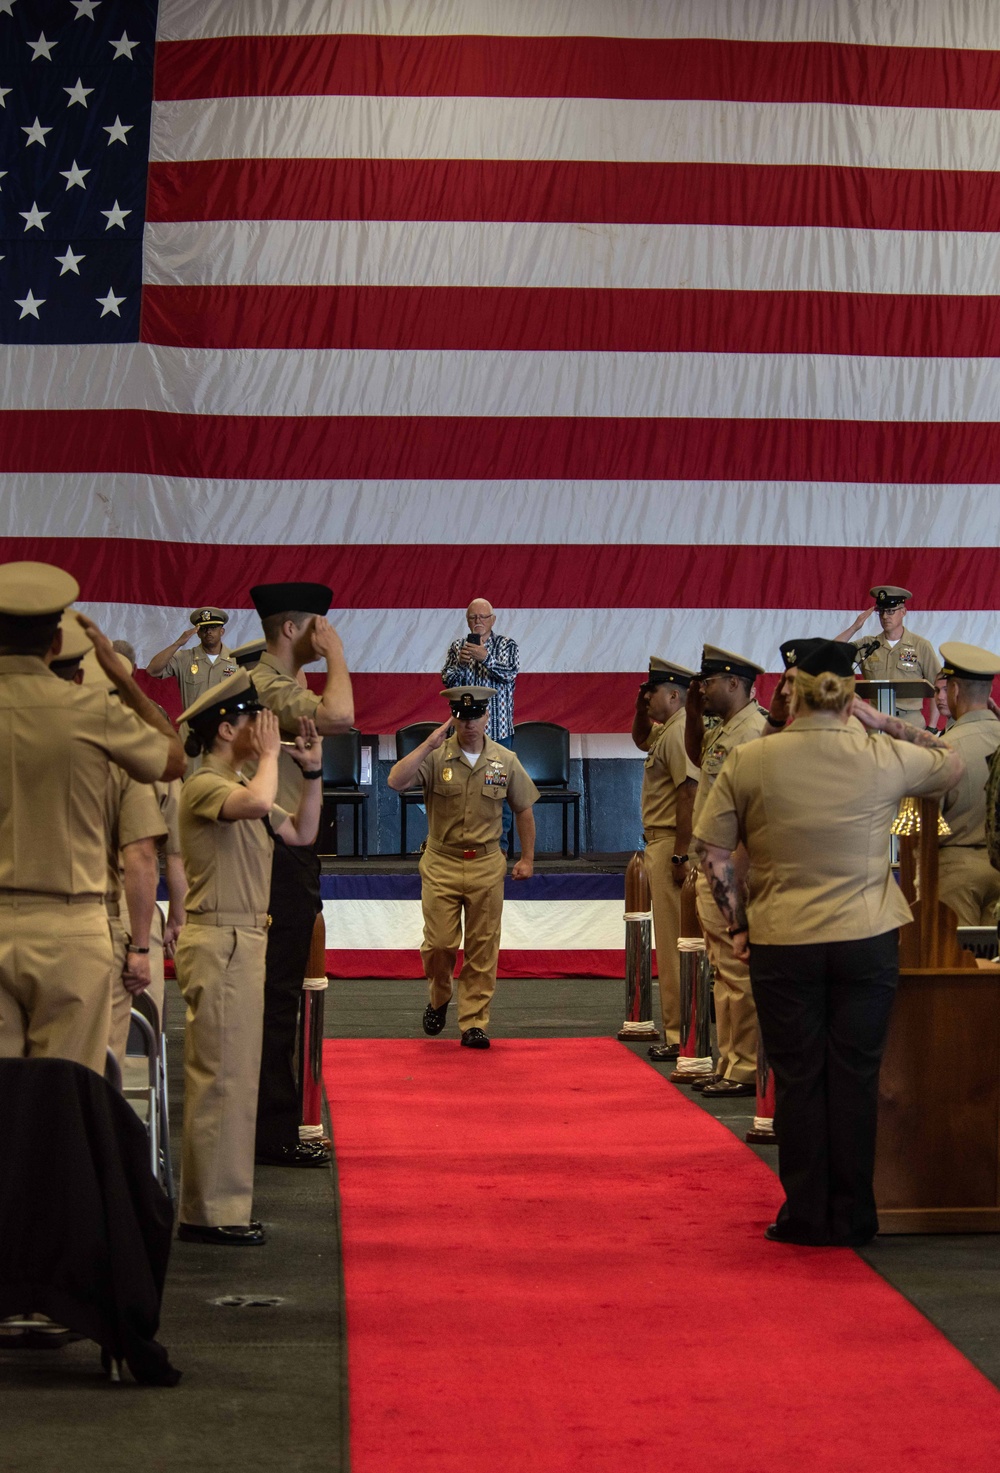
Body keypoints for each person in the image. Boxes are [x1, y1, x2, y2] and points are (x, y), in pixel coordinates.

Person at [694, 640, 963, 1246]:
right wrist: (879, 719)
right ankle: (855, 1214)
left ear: (792, 689)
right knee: (854, 1076)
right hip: (865, 938)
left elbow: (713, 852)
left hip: (783, 939)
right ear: (850, 694)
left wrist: (737, 925)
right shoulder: (881, 754)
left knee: (798, 1077)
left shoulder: (752, 760)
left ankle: (807, 1214)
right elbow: (952, 759)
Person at [0, 562, 183, 1075]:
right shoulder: (92, 713)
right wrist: (119, 676)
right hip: (70, 928)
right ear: (56, 643)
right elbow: (173, 760)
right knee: (65, 1100)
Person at [174, 673, 323, 1246]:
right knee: (218, 1081)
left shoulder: (239, 781)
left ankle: (225, 1206)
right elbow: (260, 801)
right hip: (218, 938)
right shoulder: (206, 783)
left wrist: (309, 770)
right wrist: (268, 756)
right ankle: (206, 1212)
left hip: (246, 940)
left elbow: (302, 832)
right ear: (226, 728)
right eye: (253, 720)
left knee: (239, 1082)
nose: (266, 729)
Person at [249, 581, 353, 1166]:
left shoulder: (284, 684)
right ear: (291, 630)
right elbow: (341, 715)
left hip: (288, 842)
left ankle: (274, 1122)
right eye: (317, 623)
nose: (325, 631)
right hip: (275, 854)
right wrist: (337, 654)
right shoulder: (269, 684)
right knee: (278, 994)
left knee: (281, 993)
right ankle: (272, 1130)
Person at [387, 687, 539, 1049]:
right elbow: (396, 781)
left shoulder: (505, 760)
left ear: (487, 718)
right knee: (440, 944)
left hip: (486, 861)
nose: (469, 723)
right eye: (462, 716)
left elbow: (524, 809)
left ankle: (474, 1021)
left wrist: (528, 858)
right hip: (442, 862)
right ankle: (439, 997)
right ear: (453, 717)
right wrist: (426, 745)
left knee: (482, 947)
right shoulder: (436, 757)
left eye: (476, 716)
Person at [683, 645, 765, 1096]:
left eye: (709, 682)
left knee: (737, 971)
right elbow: (698, 759)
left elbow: (751, 813)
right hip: (713, 865)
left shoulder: (752, 732)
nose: (701, 688)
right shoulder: (725, 728)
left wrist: (735, 879)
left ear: (735, 683)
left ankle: (746, 1066)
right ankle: (730, 1060)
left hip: (732, 867)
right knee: (721, 969)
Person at [631, 657, 699, 1060]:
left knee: (675, 943)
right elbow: (641, 739)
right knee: (674, 940)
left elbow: (688, 793)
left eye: (652, 692)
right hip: (663, 841)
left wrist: (680, 854)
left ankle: (678, 1032)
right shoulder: (670, 730)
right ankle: (680, 1026)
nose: (647, 698)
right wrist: (640, 708)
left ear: (674, 695)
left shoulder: (677, 735)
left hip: (670, 842)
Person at [442, 599, 520, 851]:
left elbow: (510, 674)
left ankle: (500, 848)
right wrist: (461, 664)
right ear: (467, 620)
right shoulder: (457, 647)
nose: (478, 622)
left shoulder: (506, 645)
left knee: (497, 791)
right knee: (462, 790)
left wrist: (485, 658)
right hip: (463, 735)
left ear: (492, 620)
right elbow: (447, 681)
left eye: (483, 617)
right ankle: (464, 845)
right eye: (473, 618)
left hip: (498, 733)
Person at [935, 643, 1000, 925]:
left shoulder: (944, 748)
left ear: (955, 690)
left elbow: (926, 821)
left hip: (956, 872)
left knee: (955, 963)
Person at [840, 586, 940, 727]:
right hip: (876, 722)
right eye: (881, 612)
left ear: (903, 612)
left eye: (890, 611)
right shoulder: (868, 645)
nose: (885, 616)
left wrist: (932, 727)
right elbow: (832, 652)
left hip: (910, 723)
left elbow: (938, 687)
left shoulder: (920, 646)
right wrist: (854, 627)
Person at [146, 607, 238, 711]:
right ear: (198, 633)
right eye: (203, 628)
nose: (208, 632)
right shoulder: (184, 658)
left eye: (213, 627)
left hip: (226, 725)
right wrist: (178, 643)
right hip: (193, 725)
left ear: (222, 631)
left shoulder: (237, 659)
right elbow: (152, 670)